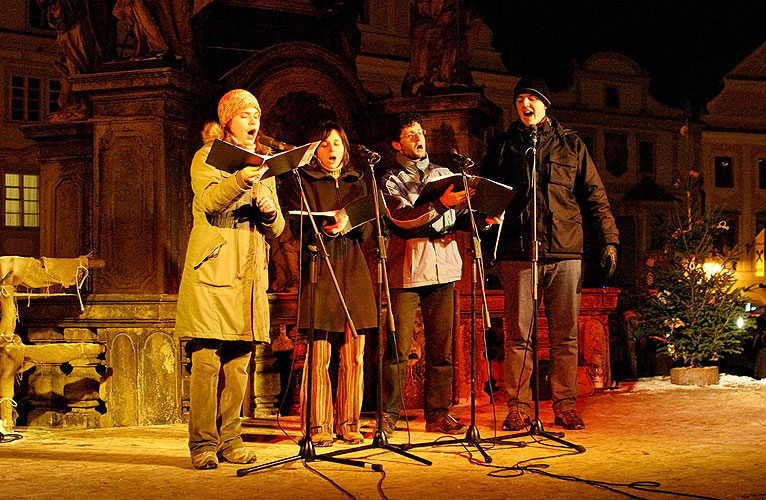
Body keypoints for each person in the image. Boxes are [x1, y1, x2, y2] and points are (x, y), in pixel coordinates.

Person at [480, 76, 619, 431]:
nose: (525, 105)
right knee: (518, 335)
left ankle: (565, 405)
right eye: (520, 100)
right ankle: (519, 406)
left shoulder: (571, 145)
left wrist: (609, 240)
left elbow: (594, 196)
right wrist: (484, 220)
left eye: (532, 99)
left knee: (565, 334)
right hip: (518, 251)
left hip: (565, 250)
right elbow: (483, 196)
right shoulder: (503, 146)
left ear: (545, 104)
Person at [175, 89, 285, 469]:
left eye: (256, 112)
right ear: (228, 122)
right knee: (206, 361)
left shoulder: (264, 163)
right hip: (214, 270)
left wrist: (270, 212)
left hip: (250, 274)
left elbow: (279, 227)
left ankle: (230, 439)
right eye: (245, 114)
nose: (253, 120)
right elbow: (209, 201)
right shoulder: (208, 157)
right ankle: (203, 444)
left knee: (239, 362)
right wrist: (240, 179)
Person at [380, 112, 501, 436]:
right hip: (407, 270)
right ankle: (388, 415)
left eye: (420, 132)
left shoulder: (445, 173)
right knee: (398, 348)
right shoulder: (389, 179)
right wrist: (443, 205)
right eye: (410, 135)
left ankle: (437, 413)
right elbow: (402, 219)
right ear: (397, 144)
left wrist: (482, 219)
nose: (418, 138)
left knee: (441, 349)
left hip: (445, 268)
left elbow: (460, 216)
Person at [282, 121, 377, 447]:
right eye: (324, 144)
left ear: (345, 148)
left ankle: (349, 423)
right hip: (320, 270)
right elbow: (296, 227)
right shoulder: (303, 181)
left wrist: (349, 221)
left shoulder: (359, 182)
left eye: (336, 143)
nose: (332, 149)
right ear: (313, 150)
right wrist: (323, 227)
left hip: (353, 270)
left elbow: (366, 231)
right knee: (319, 357)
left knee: (354, 357)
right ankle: (318, 424)